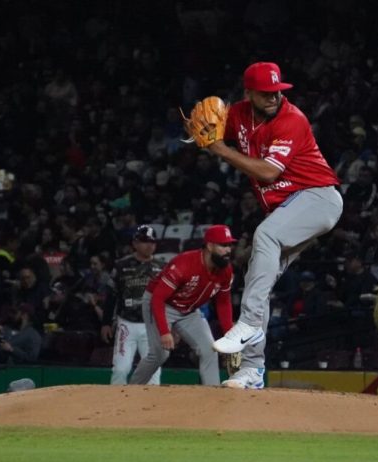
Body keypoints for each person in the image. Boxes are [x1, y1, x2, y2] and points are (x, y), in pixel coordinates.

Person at [206, 61, 343, 389]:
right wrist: (202, 129)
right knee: (258, 280)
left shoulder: (291, 119)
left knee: (264, 234)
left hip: (317, 198)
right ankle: (252, 371)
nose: (273, 98)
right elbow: (208, 129)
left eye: (277, 91)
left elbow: (268, 173)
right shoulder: (238, 113)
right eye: (265, 93)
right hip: (288, 210)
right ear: (248, 93)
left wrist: (221, 150)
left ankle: (249, 323)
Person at [129, 225, 236, 386]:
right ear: (210, 246)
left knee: (209, 350)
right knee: (160, 355)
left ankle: (213, 397)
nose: (228, 250)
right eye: (223, 245)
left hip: (188, 310)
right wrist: (165, 332)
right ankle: (130, 390)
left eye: (229, 245)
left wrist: (229, 336)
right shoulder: (184, 264)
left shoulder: (225, 270)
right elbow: (158, 298)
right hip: (161, 303)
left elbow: (223, 302)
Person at [104, 225, 166, 385]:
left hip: (152, 325)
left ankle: (150, 407)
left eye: (153, 242)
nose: (149, 245)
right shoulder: (120, 266)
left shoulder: (162, 267)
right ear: (135, 243)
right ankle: (116, 406)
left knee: (153, 372)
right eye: (145, 241)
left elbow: (169, 298)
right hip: (127, 323)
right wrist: (105, 323)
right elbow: (111, 296)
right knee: (120, 369)